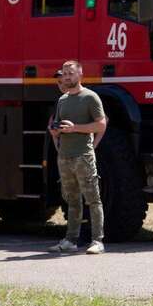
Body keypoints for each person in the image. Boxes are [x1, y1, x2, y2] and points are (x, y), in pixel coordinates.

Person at [48, 60, 107, 255]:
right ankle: (70, 240)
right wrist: (56, 131)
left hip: (83, 156)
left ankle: (97, 240)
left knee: (93, 199)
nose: (66, 76)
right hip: (64, 156)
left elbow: (100, 125)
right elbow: (56, 125)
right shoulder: (62, 100)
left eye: (70, 73)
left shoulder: (91, 97)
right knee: (71, 200)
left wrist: (76, 128)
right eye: (64, 73)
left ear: (80, 75)